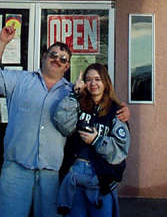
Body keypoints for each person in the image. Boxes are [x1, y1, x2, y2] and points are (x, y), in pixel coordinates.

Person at [0, 26, 130, 217]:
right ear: (44, 57)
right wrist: (2, 42)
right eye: (53, 55)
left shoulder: (74, 94)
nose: (57, 60)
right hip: (17, 169)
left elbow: (100, 102)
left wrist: (122, 110)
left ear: (67, 66)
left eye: (63, 59)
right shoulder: (21, 80)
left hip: (52, 173)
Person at [54, 63, 130, 217]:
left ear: (105, 82)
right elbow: (62, 124)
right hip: (75, 172)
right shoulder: (79, 104)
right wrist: (75, 94)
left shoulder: (116, 111)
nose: (93, 83)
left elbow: (120, 151)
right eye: (89, 80)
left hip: (101, 176)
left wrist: (97, 140)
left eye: (97, 79)